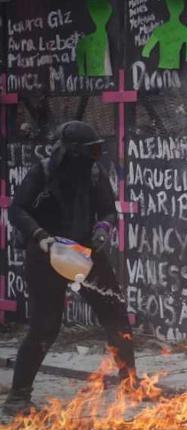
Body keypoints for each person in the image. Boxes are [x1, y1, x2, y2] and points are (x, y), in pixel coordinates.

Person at [3, 121, 136, 415]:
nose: (94, 156)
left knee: (115, 315)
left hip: (84, 253)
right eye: (89, 151)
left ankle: (131, 383)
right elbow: (18, 209)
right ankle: (18, 398)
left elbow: (107, 210)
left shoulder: (92, 172)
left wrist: (103, 228)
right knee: (44, 327)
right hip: (46, 255)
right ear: (71, 151)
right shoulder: (44, 172)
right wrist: (40, 237)